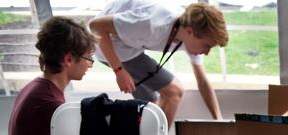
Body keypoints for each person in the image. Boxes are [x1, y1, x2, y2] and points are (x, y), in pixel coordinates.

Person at [88, 1, 229, 126]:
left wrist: (219, 120)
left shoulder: (189, 34)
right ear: (190, 31)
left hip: (131, 46)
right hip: (109, 46)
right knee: (174, 92)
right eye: (207, 46)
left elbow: (203, 82)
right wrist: (118, 70)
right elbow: (94, 26)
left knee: (152, 106)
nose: (206, 52)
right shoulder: (150, 23)